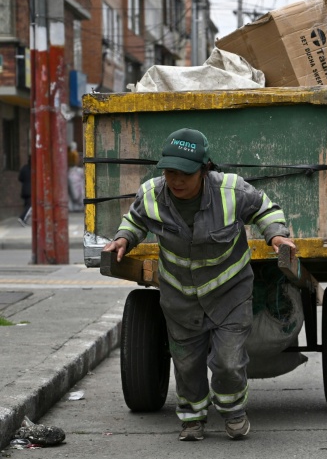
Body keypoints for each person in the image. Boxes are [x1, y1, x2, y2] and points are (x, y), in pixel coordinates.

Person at [103, 128, 296, 442]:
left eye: (184, 174)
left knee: (229, 362)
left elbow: (264, 208)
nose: (176, 180)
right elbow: (136, 220)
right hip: (179, 297)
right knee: (187, 363)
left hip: (229, 292)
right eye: (169, 172)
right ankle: (192, 419)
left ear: (204, 171)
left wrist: (274, 234)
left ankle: (233, 412)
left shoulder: (231, 190)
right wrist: (123, 239)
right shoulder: (152, 193)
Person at [17, 158, 31, 227]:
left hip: (24, 189)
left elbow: (20, 178)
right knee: (30, 205)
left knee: (26, 205)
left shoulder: (24, 167)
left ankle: (24, 221)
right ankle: (22, 218)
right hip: (30, 190)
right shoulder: (34, 169)